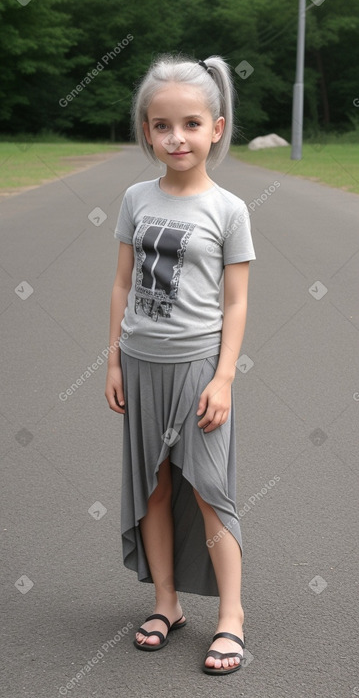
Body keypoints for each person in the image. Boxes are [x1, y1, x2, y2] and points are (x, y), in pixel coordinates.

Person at [105, 53, 256, 675]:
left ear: (215, 128)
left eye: (191, 124)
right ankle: (166, 603)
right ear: (147, 130)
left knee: (210, 492)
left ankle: (231, 616)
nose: (177, 137)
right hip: (140, 364)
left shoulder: (229, 209)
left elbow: (237, 299)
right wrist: (112, 361)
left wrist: (223, 377)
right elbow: (120, 285)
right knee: (155, 490)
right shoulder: (135, 198)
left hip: (197, 370)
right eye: (162, 125)